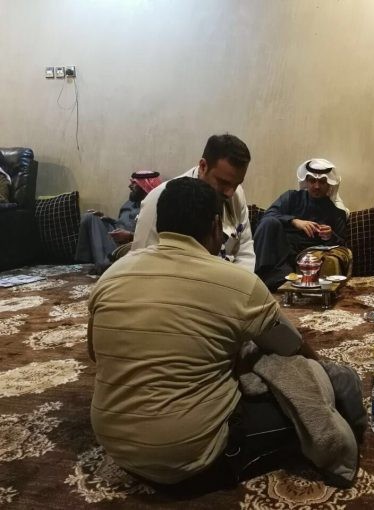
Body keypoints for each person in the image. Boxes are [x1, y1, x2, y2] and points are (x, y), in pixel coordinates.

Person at [89, 177, 316, 485]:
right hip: (190, 450)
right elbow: (291, 346)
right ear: (215, 226)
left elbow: (95, 354)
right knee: (308, 403)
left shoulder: (111, 276)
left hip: (115, 444)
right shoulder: (238, 282)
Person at [132, 133, 256, 272]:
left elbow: (244, 250)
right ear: (203, 166)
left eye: (237, 184)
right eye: (223, 182)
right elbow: (141, 263)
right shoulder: (159, 198)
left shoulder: (236, 194)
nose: (230, 193)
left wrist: (238, 283)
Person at [254, 158, 350, 290]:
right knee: (269, 222)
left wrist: (330, 236)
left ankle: (270, 280)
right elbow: (268, 215)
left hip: (298, 255)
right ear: (306, 181)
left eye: (322, 182)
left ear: (329, 184)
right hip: (275, 247)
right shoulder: (291, 197)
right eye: (312, 181)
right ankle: (258, 276)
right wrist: (294, 221)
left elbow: (343, 245)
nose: (316, 186)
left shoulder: (336, 212)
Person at [75, 171, 162, 274]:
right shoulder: (128, 204)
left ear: (145, 186)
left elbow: (154, 237)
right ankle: (91, 263)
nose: (130, 186)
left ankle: (104, 265)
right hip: (115, 240)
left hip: (130, 246)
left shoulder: (154, 207)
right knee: (90, 217)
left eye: (134, 183)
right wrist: (106, 219)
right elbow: (121, 224)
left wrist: (129, 236)